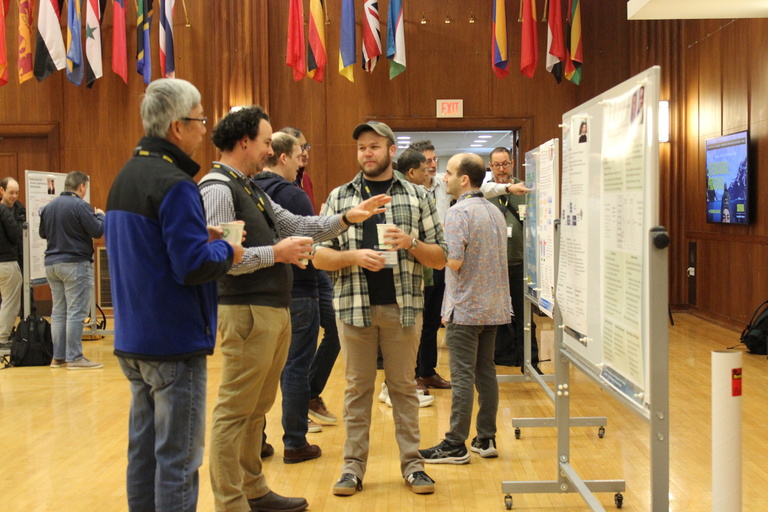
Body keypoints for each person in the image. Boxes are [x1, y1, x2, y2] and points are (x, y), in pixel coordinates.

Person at [200, 106, 389, 512]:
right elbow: (222, 258)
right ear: (245, 141)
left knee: (256, 409)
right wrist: (276, 253)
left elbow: (297, 224)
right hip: (246, 312)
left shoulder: (249, 187)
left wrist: (345, 218)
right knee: (234, 410)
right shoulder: (218, 188)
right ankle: (230, 501)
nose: (271, 151)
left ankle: (253, 489)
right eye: (267, 142)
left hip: (270, 309)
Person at [106, 78, 242, 512]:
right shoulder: (176, 183)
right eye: (201, 119)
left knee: (143, 454)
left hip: (133, 339)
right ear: (178, 128)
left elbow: (148, 247)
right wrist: (227, 249)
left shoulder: (126, 176)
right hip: (172, 341)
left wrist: (195, 235)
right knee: (179, 459)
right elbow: (194, 266)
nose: (206, 129)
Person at [313, 121, 447, 496]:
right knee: (357, 390)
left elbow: (441, 258)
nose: (366, 153)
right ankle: (352, 470)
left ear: (391, 150)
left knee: (404, 388)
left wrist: (410, 243)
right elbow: (317, 256)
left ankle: (414, 467)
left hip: (403, 311)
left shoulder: (418, 197)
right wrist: (352, 256)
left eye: (374, 146)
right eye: (361, 148)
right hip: (354, 311)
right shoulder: (340, 198)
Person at [407, 140, 521, 390]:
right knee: (415, 322)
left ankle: (427, 372)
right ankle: (411, 375)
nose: (433, 165)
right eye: (428, 161)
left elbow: (484, 186)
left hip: (444, 259)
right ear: (415, 166)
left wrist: (508, 186)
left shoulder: (442, 185)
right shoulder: (408, 191)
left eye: (435, 159)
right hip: (421, 259)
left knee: (431, 323)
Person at [419, 153, 510, 464]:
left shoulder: (458, 214)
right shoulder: (494, 212)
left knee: (461, 376)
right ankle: (486, 438)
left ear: (464, 180)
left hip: (465, 309)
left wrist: (420, 249)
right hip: (494, 308)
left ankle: (454, 443)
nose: (444, 177)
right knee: (486, 373)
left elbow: (452, 261)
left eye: (448, 172)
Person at [253, 132, 325, 463]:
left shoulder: (250, 192)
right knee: (295, 368)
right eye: (299, 154)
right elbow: (309, 239)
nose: (302, 160)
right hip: (299, 291)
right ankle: (296, 442)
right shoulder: (293, 196)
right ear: (282, 157)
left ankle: (257, 441)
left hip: (261, 294)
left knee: (263, 372)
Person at [280, 126, 342, 430]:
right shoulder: (276, 185)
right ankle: (296, 413)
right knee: (293, 351)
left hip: (314, 264)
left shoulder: (304, 181)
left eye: (307, 146)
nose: (304, 152)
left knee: (336, 328)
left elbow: (311, 224)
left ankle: (310, 393)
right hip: (290, 273)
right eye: (299, 148)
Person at [39, 171, 104, 369]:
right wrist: (101, 216)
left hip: (52, 264)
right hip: (75, 263)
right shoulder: (80, 206)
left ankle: (58, 358)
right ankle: (75, 357)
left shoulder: (49, 207)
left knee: (58, 311)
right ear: (82, 186)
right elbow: (97, 230)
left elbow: (43, 233)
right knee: (76, 311)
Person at [487, 147, 540, 373]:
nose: (501, 169)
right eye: (496, 165)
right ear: (490, 167)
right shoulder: (486, 190)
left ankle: (531, 362)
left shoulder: (525, 189)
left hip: (520, 263)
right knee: (492, 316)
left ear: (512, 163)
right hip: (493, 266)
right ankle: (497, 358)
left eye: (505, 164)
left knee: (524, 314)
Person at [0, 178, 22, 348]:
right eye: (11, 192)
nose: (14, 196)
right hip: (6, 262)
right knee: (10, 301)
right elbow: (16, 235)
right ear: (2, 191)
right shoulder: (3, 211)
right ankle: (2, 338)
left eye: (17, 192)